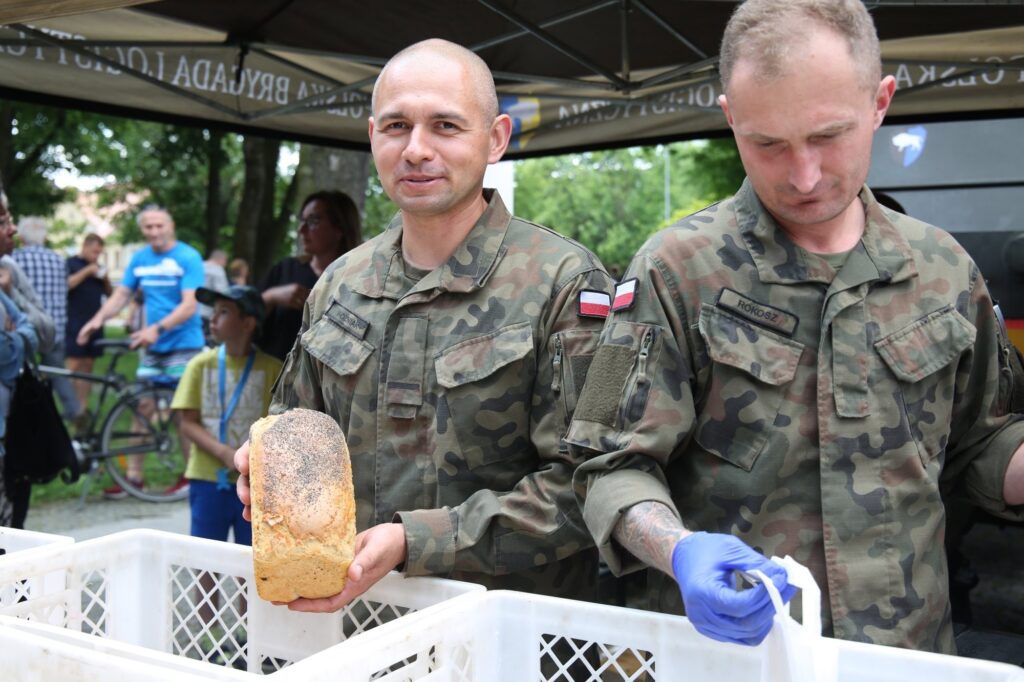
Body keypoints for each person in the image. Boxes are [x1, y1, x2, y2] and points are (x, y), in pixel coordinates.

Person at [566, 0, 1024, 655]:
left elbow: (986, 439)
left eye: (828, 136)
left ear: (880, 102)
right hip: (730, 659)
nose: (803, 176)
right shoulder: (668, 270)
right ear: (730, 117)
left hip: (903, 657)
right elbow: (602, 463)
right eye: (768, 144)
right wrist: (679, 550)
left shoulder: (946, 269)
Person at [235, 38, 614, 610]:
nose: (415, 149)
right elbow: (295, 432)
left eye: (445, 126)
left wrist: (415, 541)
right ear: (372, 136)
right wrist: (263, 471)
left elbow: (592, 484)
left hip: (507, 635)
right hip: (356, 626)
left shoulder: (564, 283)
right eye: (395, 126)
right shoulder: (341, 284)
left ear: (496, 140)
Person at [77, 205, 205, 498]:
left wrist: (155, 330)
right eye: (148, 227)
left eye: (159, 225)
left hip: (183, 345)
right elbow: (122, 294)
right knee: (142, 407)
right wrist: (97, 320)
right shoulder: (140, 258)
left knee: (182, 412)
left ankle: (189, 478)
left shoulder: (187, 257)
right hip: (151, 347)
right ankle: (134, 478)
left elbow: (189, 305)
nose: (154, 232)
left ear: (170, 225)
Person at [172, 285, 281, 546]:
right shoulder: (200, 365)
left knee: (251, 558)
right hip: (207, 477)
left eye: (224, 312)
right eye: (214, 311)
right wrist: (223, 453)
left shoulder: (272, 369)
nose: (213, 318)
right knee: (204, 557)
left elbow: (279, 427)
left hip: (255, 481)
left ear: (247, 323)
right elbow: (187, 422)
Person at [256, 191, 361, 361]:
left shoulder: (359, 279)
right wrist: (271, 297)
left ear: (340, 227)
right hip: (277, 378)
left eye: (313, 221)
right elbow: (245, 320)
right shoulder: (285, 269)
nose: (301, 230)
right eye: (302, 221)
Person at [0, 196, 39, 528]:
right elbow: (8, 356)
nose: (11, 228)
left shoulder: (5, 280)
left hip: (10, 431)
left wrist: (17, 335)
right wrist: (17, 338)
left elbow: (37, 332)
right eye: (2, 221)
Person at [65, 233, 113, 427]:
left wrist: (105, 278)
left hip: (94, 322)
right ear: (85, 247)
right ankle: (69, 405)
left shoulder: (99, 269)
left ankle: (82, 409)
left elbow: (110, 294)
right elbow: (67, 285)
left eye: (99, 253)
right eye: (94, 252)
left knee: (88, 366)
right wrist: (87, 271)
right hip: (75, 322)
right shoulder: (71, 263)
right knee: (72, 366)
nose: (96, 256)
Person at [200, 249, 230, 343]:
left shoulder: (199, 266)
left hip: (192, 312)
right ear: (222, 260)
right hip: (208, 314)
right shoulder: (218, 270)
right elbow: (223, 293)